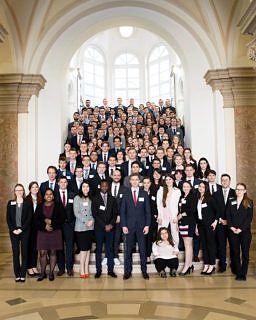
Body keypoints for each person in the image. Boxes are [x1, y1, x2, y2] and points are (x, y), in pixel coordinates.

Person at [120, 173, 151, 280]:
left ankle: (144, 271)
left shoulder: (144, 193)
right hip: (129, 226)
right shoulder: (126, 193)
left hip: (142, 227)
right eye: (132, 180)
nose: (134, 181)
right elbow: (122, 211)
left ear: (139, 181)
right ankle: (127, 271)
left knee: (143, 250)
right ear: (130, 181)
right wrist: (123, 225)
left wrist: (147, 225)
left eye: (136, 180)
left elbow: (148, 212)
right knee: (128, 250)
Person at [35, 188, 65, 281]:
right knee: (42, 253)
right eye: (47, 194)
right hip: (42, 232)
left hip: (55, 232)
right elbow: (35, 220)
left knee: (53, 252)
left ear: (53, 196)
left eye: (50, 194)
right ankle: (43, 272)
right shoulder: (39, 206)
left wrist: (51, 222)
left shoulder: (59, 205)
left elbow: (62, 219)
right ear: (44, 196)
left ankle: (51, 273)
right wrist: (45, 226)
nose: (49, 196)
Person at [227, 183, 253, 281]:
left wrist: (240, 229)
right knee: (235, 253)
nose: (238, 191)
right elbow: (228, 215)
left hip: (244, 232)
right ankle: (238, 273)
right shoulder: (231, 201)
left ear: (245, 191)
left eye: (241, 189)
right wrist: (232, 227)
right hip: (233, 232)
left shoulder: (249, 202)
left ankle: (244, 273)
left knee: (245, 254)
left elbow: (249, 218)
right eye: (237, 189)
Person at [92, 180, 118, 279]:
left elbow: (115, 213)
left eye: (106, 186)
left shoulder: (112, 199)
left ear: (108, 187)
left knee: (109, 250)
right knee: (98, 249)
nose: (104, 188)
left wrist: (110, 225)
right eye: (102, 186)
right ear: (100, 187)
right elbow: (95, 214)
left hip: (110, 229)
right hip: (99, 228)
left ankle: (110, 270)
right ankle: (98, 270)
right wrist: (104, 226)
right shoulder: (95, 199)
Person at [6, 184, 33, 282]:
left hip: (24, 230)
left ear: (23, 191)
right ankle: (17, 274)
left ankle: (22, 274)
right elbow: (8, 218)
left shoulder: (28, 203)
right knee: (15, 252)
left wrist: (21, 229)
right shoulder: (10, 203)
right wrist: (13, 229)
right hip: (13, 231)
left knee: (24, 252)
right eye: (17, 190)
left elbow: (29, 218)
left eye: (21, 190)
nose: (19, 192)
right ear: (14, 192)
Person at [213, 174, 236, 273]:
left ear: (230, 181)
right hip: (220, 224)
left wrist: (229, 221)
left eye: (226, 180)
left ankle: (234, 264)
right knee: (221, 245)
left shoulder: (235, 193)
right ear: (221, 181)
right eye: (222, 180)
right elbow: (214, 209)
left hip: (232, 225)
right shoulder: (216, 193)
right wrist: (220, 219)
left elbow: (237, 210)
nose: (224, 182)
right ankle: (223, 265)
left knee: (233, 245)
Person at [55, 176, 76, 277]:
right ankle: (61, 268)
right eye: (61, 182)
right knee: (59, 247)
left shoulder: (72, 194)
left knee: (70, 247)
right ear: (58, 183)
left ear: (67, 183)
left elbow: (75, 210)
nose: (63, 184)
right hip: (58, 225)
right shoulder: (54, 195)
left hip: (69, 225)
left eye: (65, 182)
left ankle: (70, 268)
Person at [196, 181, 217, 275]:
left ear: (206, 188)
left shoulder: (210, 198)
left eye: (203, 187)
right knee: (204, 245)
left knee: (210, 245)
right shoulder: (198, 198)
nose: (201, 188)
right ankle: (206, 264)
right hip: (200, 225)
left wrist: (215, 222)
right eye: (200, 186)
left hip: (209, 225)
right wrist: (196, 225)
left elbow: (218, 211)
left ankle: (212, 265)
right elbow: (197, 214)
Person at [74, 182, 94, 278]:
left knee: (88, 249)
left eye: (87, 186)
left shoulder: (91, 198)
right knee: (83, 249)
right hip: (81, 227)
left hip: (90, 227)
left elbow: (94, 212)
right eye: (84, 186)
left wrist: (92, 220)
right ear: (81, 188)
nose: (85, 188)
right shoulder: (77, 198)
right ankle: (81, 269)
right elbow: (76, 213)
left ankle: (86, 268)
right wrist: (86, 221)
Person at [177, 181, 197, 275]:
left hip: (189, 222)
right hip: (182, 222)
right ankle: (190, 264)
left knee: (188, 245)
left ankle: (187, 266)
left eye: (187, 186)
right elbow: (180, 209)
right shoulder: (182, 197)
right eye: (184, 186)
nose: (185, 188)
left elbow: (192, 210)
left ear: (191, 187)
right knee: (187, 245)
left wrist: (181, 215)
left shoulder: (192, 197)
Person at [157, 174, 181, 250]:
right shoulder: (161, 190)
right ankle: (161, 249)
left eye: (170, 179)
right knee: (161, 233)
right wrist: (159, 216)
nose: (168, 181)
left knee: (175, 233)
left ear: (173, 180)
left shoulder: (177, 191)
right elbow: (158, 204)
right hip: (163, 215)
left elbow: (178, 205)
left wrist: (176, 217)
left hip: (173, 215)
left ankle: (175, 249)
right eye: (166, 180)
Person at [26, 181, 42, 276]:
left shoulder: (40, 199)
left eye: (36, 187)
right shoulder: (26, 199)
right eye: (33, 187)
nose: (35, 189)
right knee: (29, 247)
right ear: (30, 189)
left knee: (36, 247)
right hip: (29, 227)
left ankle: (34, 266)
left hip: (38, 227)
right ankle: (29, 267)